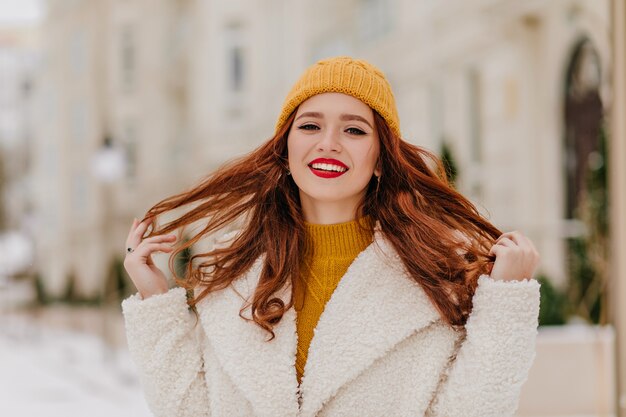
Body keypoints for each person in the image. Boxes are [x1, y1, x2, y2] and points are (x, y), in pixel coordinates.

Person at [122, 56, 541, 417]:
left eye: (354, 130)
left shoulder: (435, 276)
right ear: (285, 150)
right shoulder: (234, 276)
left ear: (381, 160)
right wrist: (155, 302)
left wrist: (507, 298)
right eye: (309, 126)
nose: (328, 143)